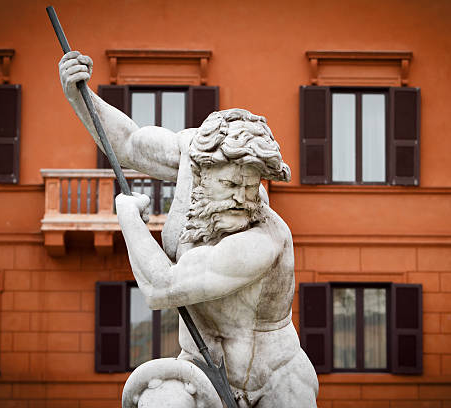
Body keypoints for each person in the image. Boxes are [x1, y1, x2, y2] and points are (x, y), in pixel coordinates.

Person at [59, 51, 318, 407]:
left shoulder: (264, 238)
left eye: (251, 186)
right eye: (230, 186)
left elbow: (162, 287)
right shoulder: (190, 153)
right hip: (201, 369)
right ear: (202, 171)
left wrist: (129, 219)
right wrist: (79, 94)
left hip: (275, 381)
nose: (244, 198)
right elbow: (128, 144)